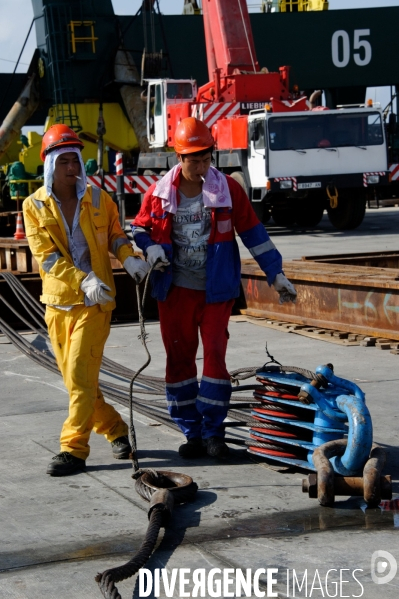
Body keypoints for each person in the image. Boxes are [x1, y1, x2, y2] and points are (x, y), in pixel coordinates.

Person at [131, 117, 296, 460]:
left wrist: (275, 273)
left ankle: (213, 432)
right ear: (179, 157)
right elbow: (140, 228)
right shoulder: (160, 193)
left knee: (216, 360)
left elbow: (253, 231)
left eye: (207, 159)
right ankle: (191, 433)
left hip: (216, 290)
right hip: (174, 290)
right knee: (178, 360)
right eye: (195, 161)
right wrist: (150, 247)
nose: (203, 167)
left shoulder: (227, 190)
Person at [23, 124, 150, 476]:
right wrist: (83, 280)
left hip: (96, 304)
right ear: (49, 164)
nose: (71, 168)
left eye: (75, 160)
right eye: (63, 161)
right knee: (80, 382)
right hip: (58, 303)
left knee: (79, 377)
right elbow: (46, 257)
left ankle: (73, 449)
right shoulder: (33, 206)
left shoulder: (98, 199)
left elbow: (115, 234)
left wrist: (129, 259)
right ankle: (115, 429)